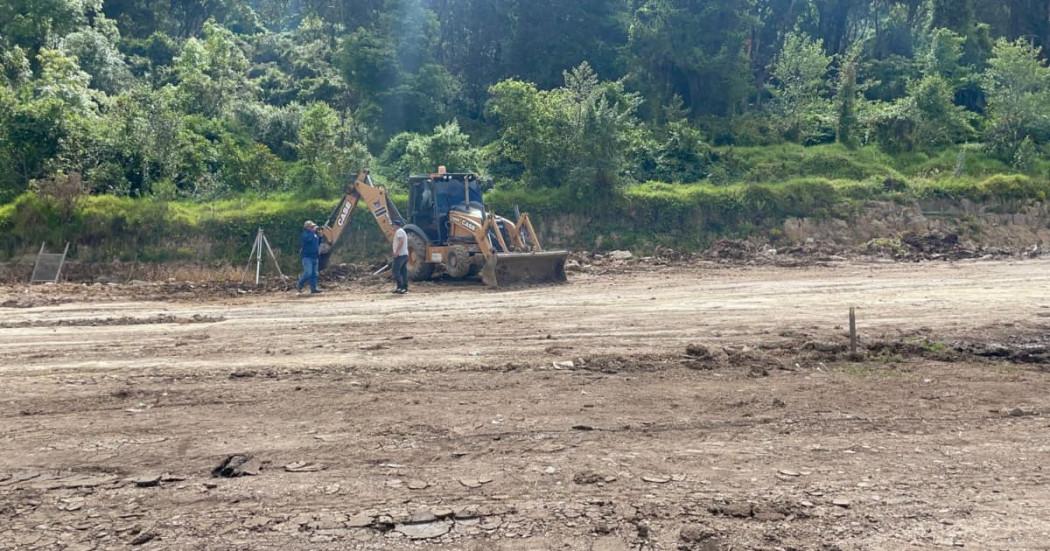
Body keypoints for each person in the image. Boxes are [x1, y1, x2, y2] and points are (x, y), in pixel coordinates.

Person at [298, 220, 321, 294]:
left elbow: (317, 243)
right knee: (308, 273)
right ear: (307, 227)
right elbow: (308, 240)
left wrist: (320, 236)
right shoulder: (305, 234)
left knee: (314, 274)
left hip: (315, 256)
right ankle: (299, 284)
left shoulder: (315, 235)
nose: (313, 228)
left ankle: (313, 288)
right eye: (312, 227)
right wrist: (312, 232)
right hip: (307, 257)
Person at [391, 220, 409, 294]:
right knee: (403, 272)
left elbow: (401, 241)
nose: (392, 226)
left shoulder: (399, 231)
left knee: (395, 271)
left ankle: (401, 287)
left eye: (393, 225)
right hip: (404, 254)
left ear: (396, 225)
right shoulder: (402, 231)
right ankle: (402, 288)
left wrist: (396, 252)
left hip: (400, 255)